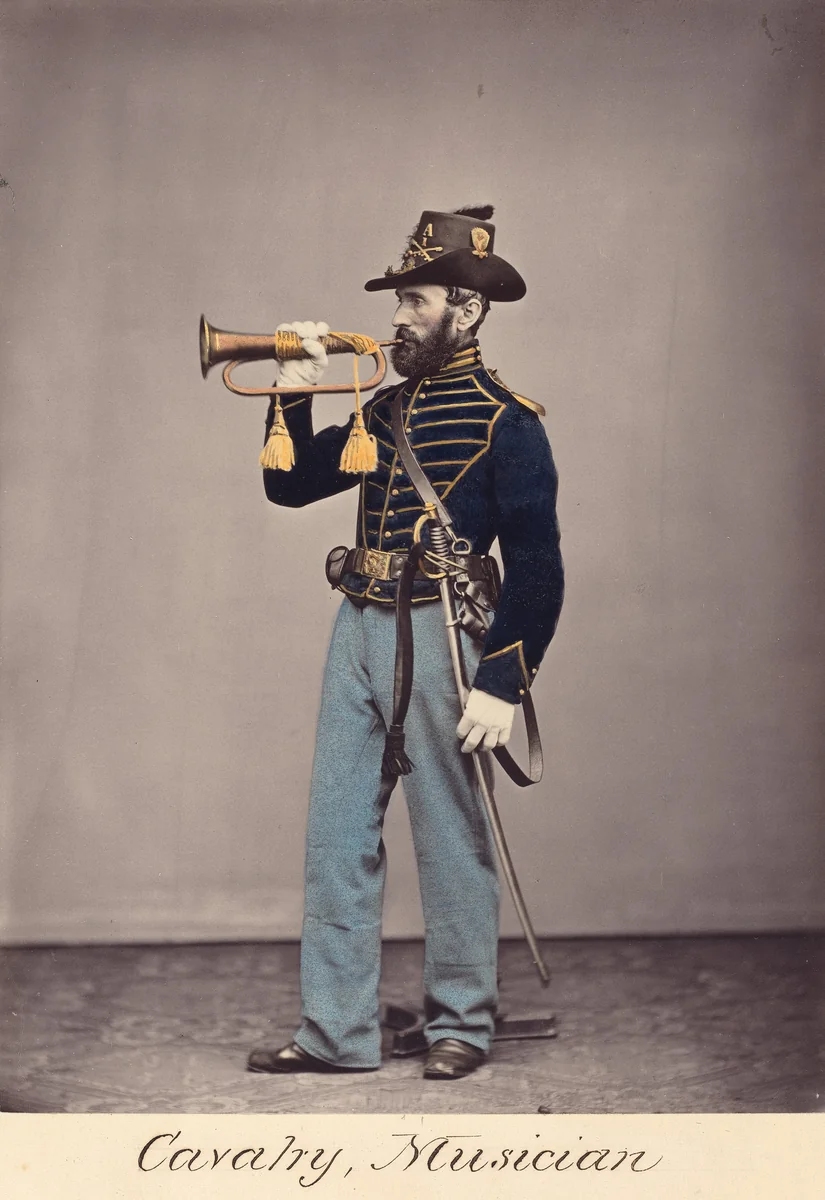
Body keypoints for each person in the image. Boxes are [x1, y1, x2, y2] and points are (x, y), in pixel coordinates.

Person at [246, 206, 564, 1080]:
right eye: (400, 301)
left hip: (442, 636)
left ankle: (461, 1020)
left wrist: (501, 681)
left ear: (463, 309)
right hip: (357, 624)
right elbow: (288, 490)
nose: (396, 318)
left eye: (415, 301)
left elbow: (537, 564)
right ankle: (335, 1032)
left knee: (450, 834)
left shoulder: (509, 422)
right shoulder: (379, 408)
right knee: (335, 834)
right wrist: (295, 383)